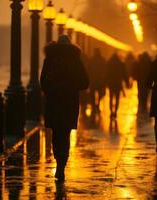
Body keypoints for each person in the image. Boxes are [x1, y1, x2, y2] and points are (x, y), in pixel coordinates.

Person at [40, 35, 89, 182]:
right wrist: (71, 86)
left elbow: (43, 83)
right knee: (65, 134)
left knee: (56, 134)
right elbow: (85, 83)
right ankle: (62, 165)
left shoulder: (49, 60)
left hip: (54, 102)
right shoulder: (75, 60)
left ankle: (58, 161)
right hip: (69, 102)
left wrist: (55, 87)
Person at [106, 52, 128, 118]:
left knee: (111, 98)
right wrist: (126, 82)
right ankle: (115, 111)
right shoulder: (121, 64)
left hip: (111, 84)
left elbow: (106, 73)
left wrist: (105, 82)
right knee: (117, 98)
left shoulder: (109, 63)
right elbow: (124, 74)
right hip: (118, 84)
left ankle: (111, 111)